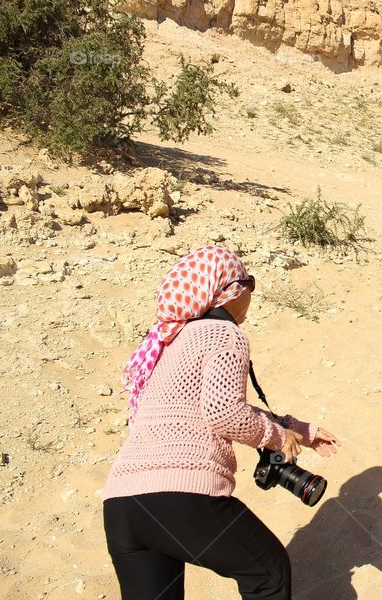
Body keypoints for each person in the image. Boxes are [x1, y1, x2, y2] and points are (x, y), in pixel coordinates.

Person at [102, 245, 340, 600]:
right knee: (268, 571)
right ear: (232, 290)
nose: (251, 296)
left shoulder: (168, 342)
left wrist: (299, 430)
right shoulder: (224, 334)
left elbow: (199, 407)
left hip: (122, 506)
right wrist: (276, 437)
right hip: (181, 496)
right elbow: (224, 413)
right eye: (250, 285)